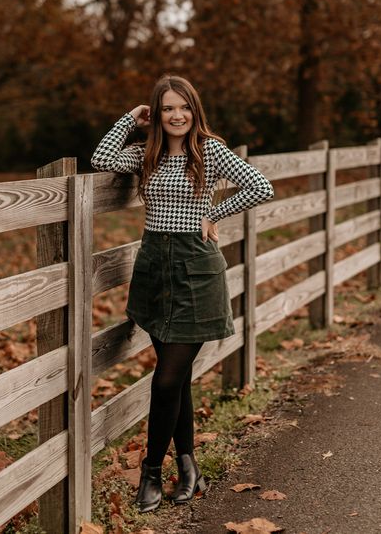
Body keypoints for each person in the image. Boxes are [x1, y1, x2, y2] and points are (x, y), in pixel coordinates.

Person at [90, 75, 274, 513]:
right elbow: (100, 158)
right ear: (158, 112)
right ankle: (189, 466)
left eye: (184, 107)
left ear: (195, 109)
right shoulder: (146, 154)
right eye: (168, 108)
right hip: (155, 267)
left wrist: (215, 212)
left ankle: (152, 471)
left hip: (196, 268)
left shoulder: (208, 150)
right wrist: (131, 118)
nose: (177, 115)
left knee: (169, 377)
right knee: (178, 380)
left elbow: (260, 186)